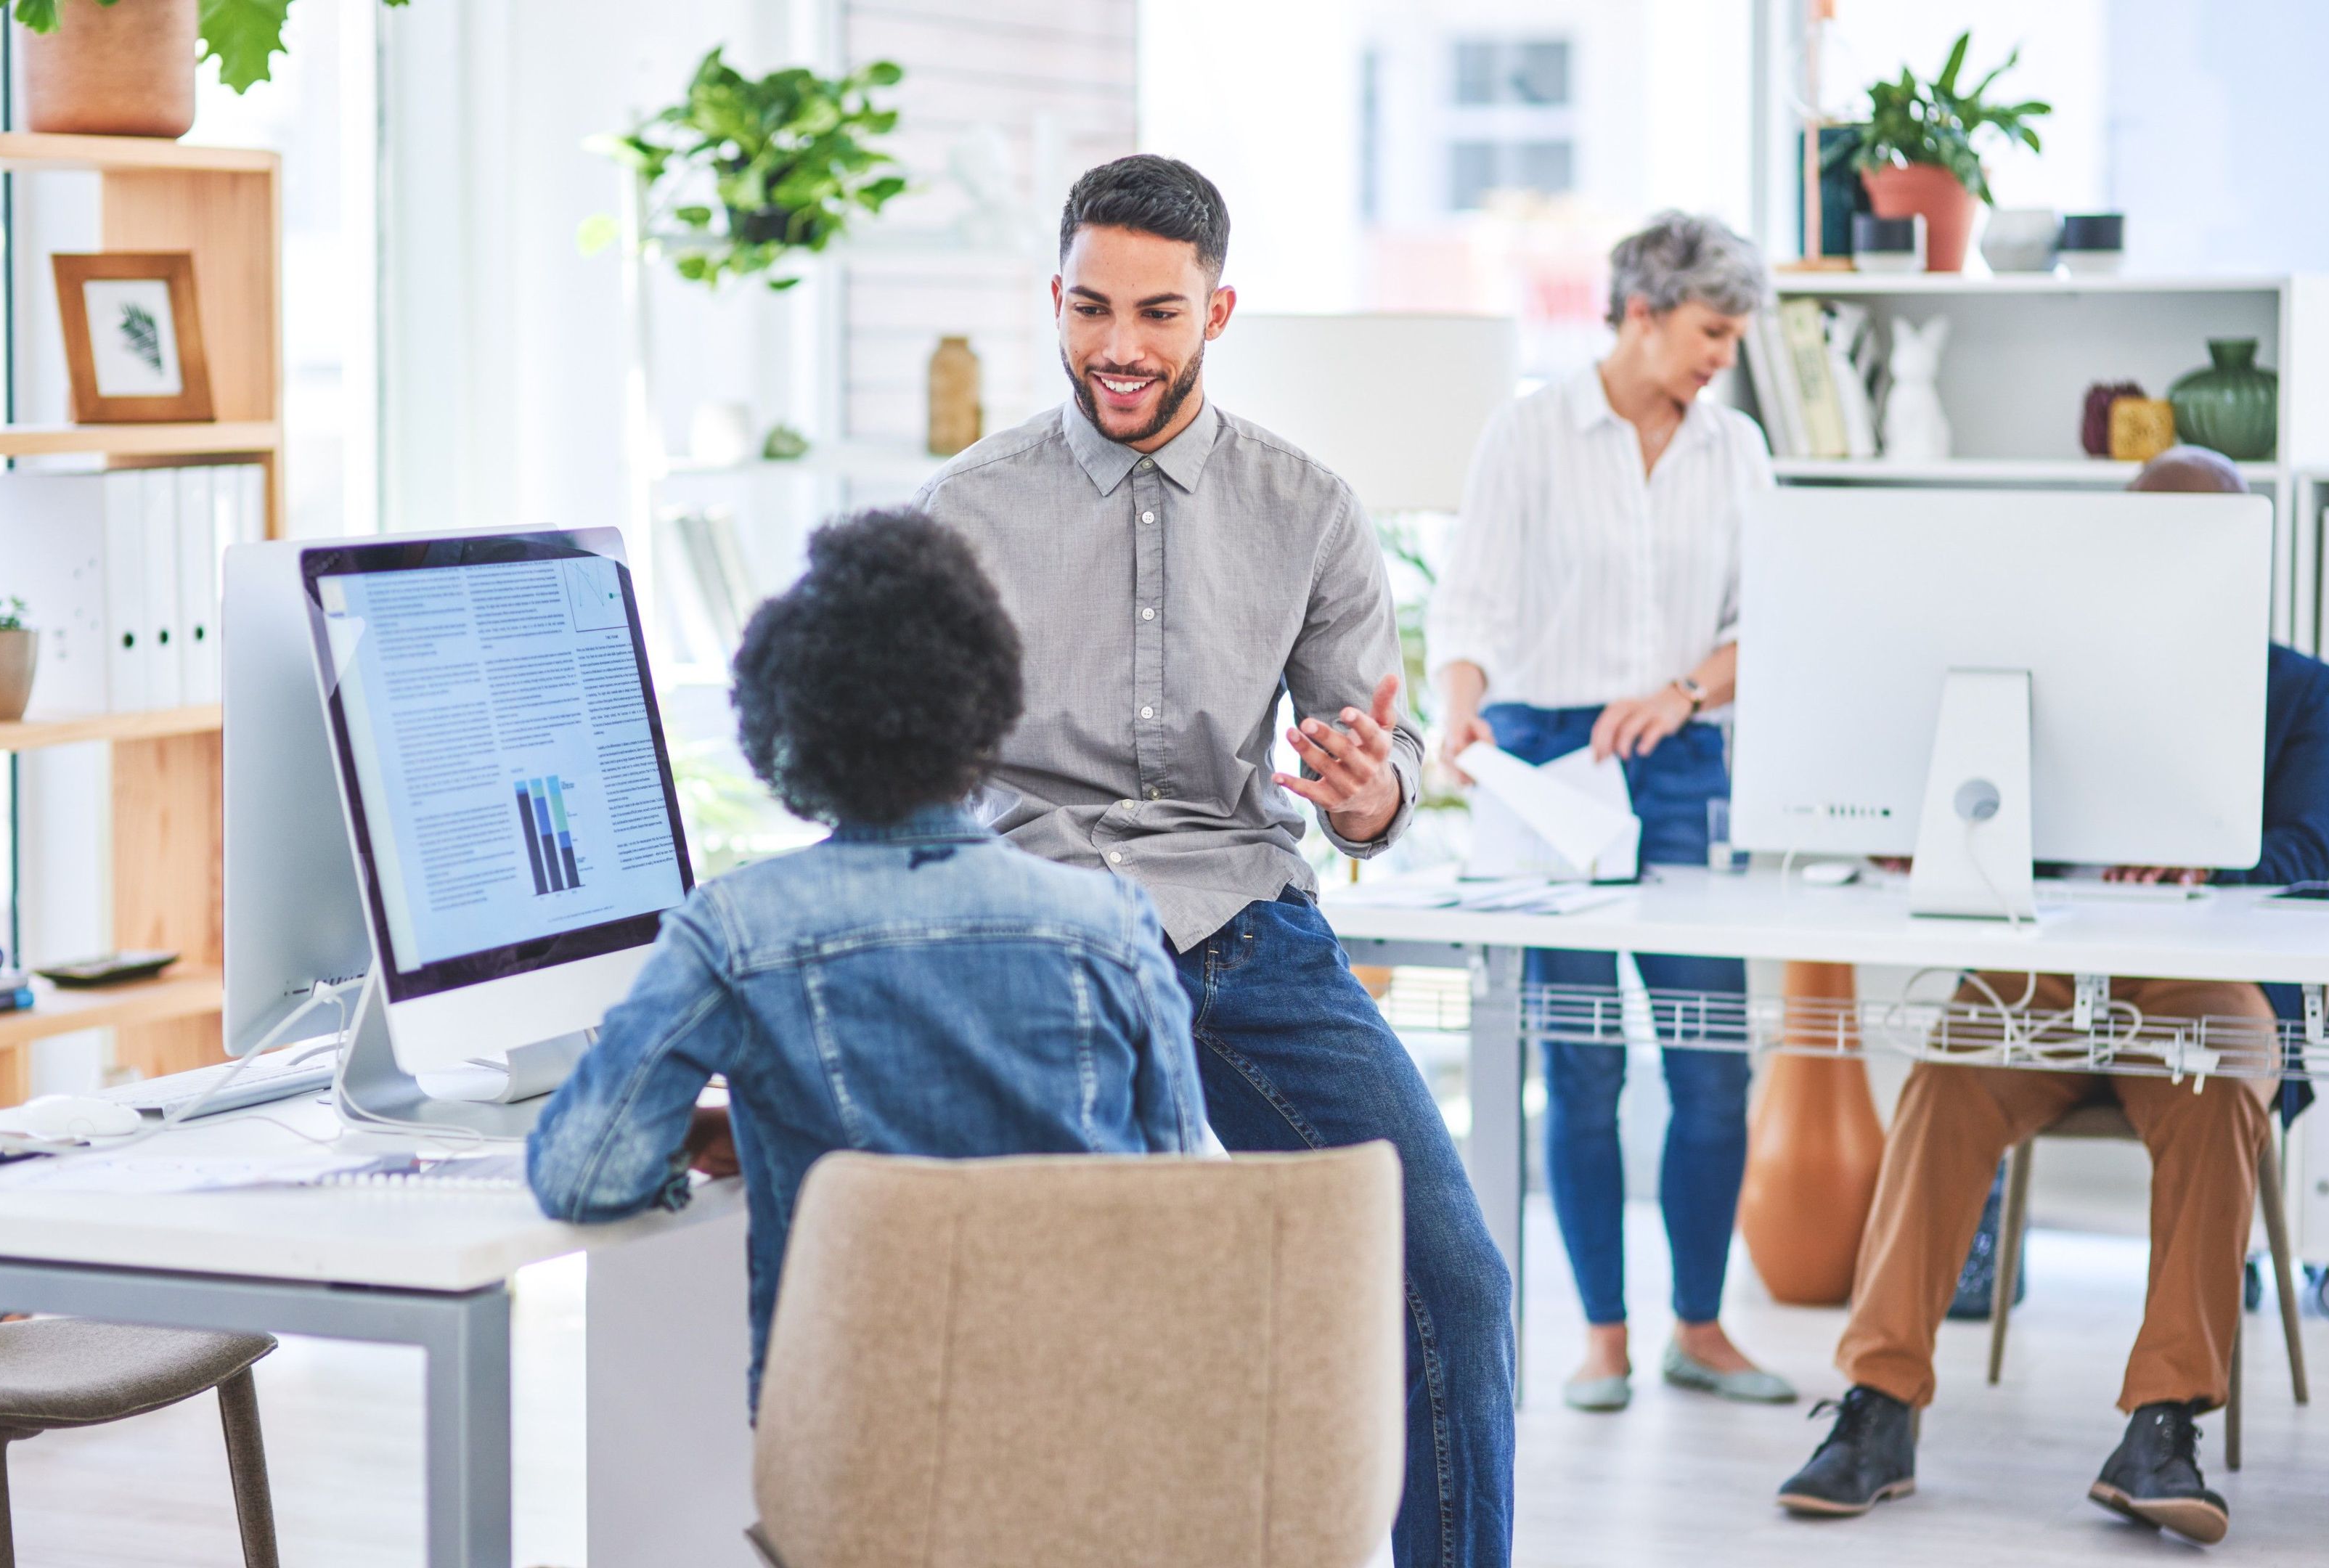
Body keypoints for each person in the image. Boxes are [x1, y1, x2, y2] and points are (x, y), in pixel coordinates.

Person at [914, 155, 1514, 1568]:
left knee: (1455, 1285)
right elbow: (909, 779)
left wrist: (1366, 794)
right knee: (1092, 1327)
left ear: (1218, 311)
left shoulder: (1306, 507)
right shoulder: (960, 513)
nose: (1119, 347)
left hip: (1244, 939)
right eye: (1090, 307)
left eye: (1159, 314)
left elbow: (1380, 771)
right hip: (1039, 943)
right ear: (1050, 300)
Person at [526, 510, 1210, 1410]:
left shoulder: (736, 930)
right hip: (1086, 1453)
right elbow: (1184, 1208)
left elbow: (583, 1173)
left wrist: (758, 1137)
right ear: (988, 706)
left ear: (789, 718)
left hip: (854, 1465)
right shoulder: (1111, 926)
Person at [1777, 445, 2329, 1545]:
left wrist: (2199, 862)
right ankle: (1878, 1409)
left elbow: (2314, 848)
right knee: (1944, 1075)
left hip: (2200, 981)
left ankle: (2160, 1424)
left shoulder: (2303, 690)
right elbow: (1983, 817)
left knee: (2223, 1080)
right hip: (2044, 973)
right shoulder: (2046, 669)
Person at [1428, 211, 1792, 1413]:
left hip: (1680, 766)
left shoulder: (1734, 449)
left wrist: (1682, 691)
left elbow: (1771, 619)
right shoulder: (1529, 432)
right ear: (1641, 312)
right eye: (1708, 331)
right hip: (1549, 764)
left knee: (1708, 1063)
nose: (1719, 358)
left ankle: (1699, 1322)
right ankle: (1601, 1335)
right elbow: (1470, 608)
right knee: (1579, 1072)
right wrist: (1461, 714)